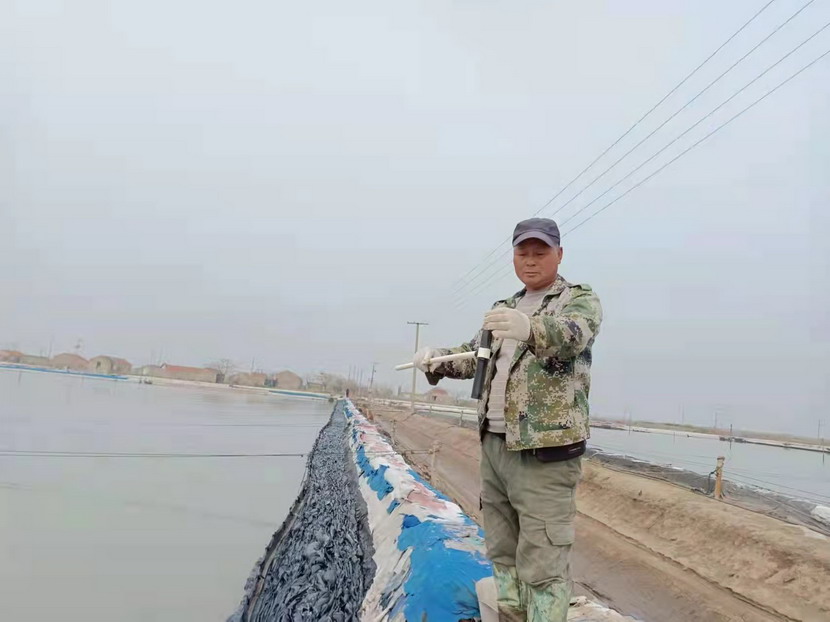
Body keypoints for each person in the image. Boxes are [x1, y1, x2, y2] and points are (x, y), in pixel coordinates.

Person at [412, 218, 602, 622]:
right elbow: (473, 357)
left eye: (540, 252)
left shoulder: (578, 300)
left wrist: (530, 328)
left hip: (544, 453)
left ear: (559, 255)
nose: (530, 260)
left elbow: (573, 335)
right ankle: (510, 613)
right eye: (522, 252)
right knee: (501, 546)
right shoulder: (504, 309)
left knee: (544, 556)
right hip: (496, 445)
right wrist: (436, 360)